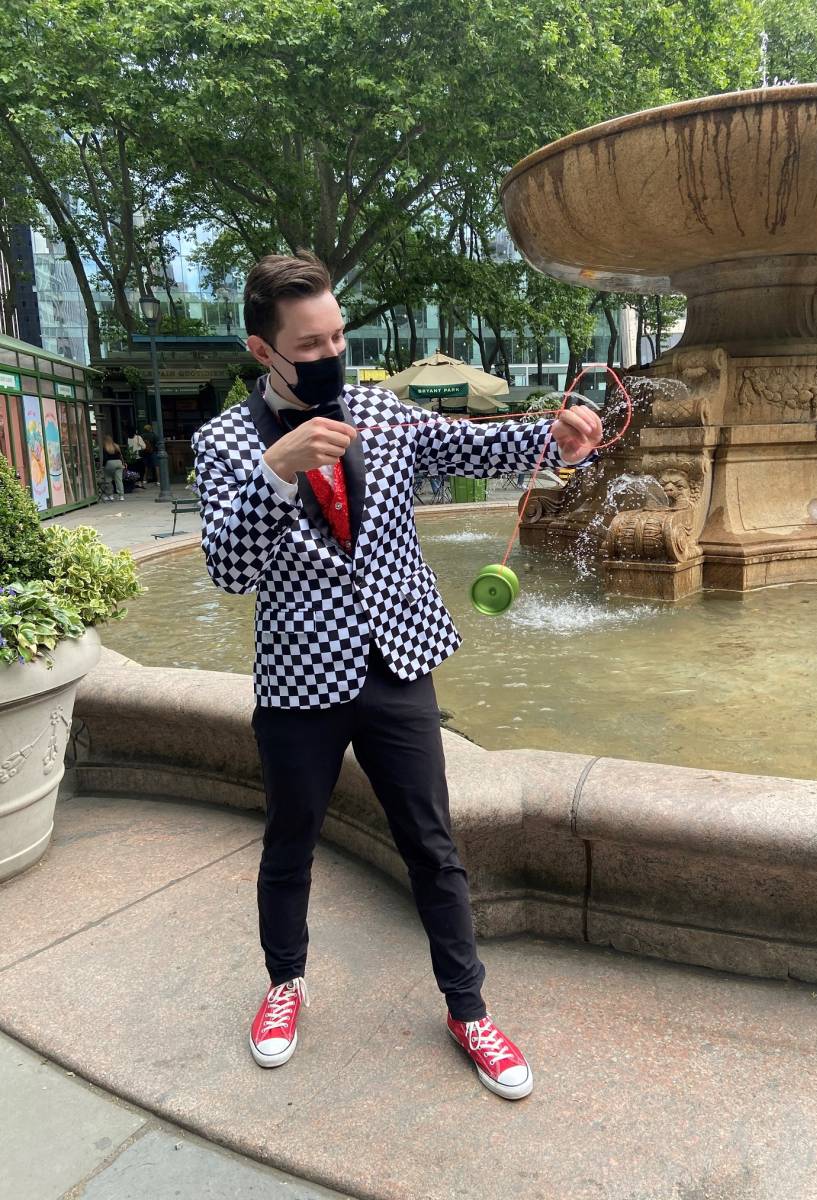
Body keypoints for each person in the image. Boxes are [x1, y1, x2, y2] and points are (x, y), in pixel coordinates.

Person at [191, 251, 602, 1101]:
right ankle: (284, 984)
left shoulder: (380, 409)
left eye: (338, 332)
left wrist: (558, 435)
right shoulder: (226, 442)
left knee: (433, 843)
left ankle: (469, 1008)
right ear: (263, 351)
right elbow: (228, 570)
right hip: (298, 678)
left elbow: (476, 442)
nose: (331, 349)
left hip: (396, 665)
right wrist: (279, 472)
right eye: (311, 342)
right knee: (289, 843)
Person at [101, 434, 126, 498]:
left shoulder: (105, 447)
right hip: (119, 462)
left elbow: (105, 458)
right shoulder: (116, 446)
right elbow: (121, 455)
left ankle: (110, 495)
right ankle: (121, 496)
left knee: (108, 479)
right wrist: (123, 463)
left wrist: (103, 465)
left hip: (110, 463)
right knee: (119, 480)